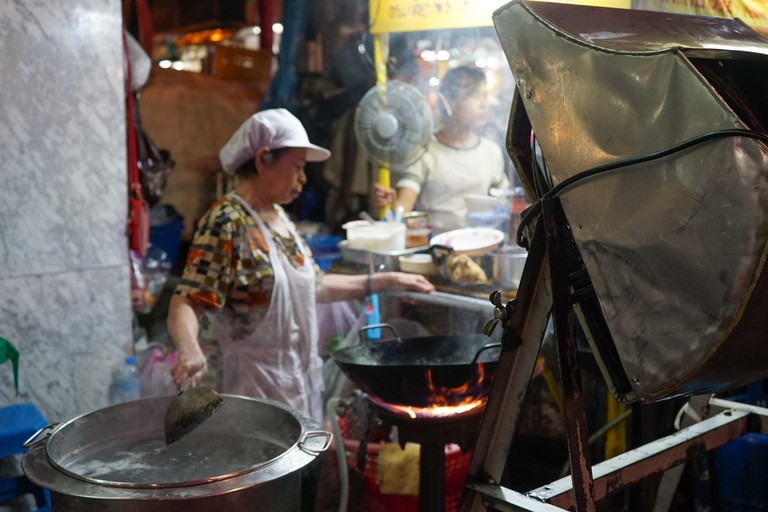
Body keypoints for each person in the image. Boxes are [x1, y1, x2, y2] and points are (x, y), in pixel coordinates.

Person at [168, 109, 434, 422]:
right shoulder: (227, 221)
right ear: (263, 160)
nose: (303, 178)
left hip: (294, 382)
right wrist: (188, 349)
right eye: (297, 167)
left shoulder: (281, 219)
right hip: (242, 389)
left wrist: (389, 281)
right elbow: (187, 300)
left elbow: (315, 287)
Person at [374, 66, 510, 233]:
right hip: (437, 249)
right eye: (474, 96)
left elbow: (505, 202)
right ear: (449, 100)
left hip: (483, 247)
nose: (484, 105)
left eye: (485, 96)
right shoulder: (425, 152)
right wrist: (394, 203)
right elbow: (403, 208)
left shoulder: (491, 151)